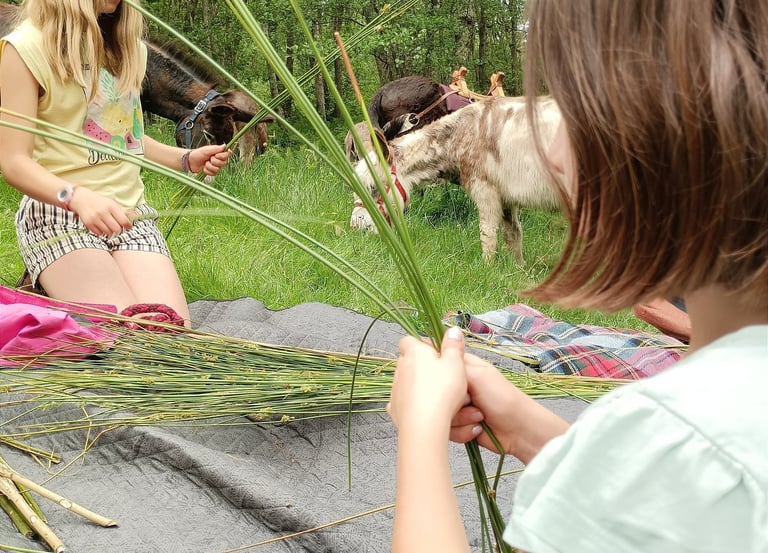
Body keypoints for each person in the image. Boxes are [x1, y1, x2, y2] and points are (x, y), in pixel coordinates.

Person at [387, 0, 768, 552]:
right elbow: (665, 503)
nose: (554, 153)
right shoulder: (704, 432)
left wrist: (420, 436)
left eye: (573, 108)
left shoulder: (673, 437)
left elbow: (668, 463)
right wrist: (526, 431)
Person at [0, 0, 231, 327]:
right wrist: (77, 197)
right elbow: (14, 162)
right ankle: (51, 287)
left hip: (131, 218)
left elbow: (124, 135)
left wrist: (184, 159)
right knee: (126, 340)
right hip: (59, 216)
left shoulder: (129, 49)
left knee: (167, 334)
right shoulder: (24, 49)